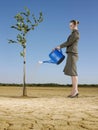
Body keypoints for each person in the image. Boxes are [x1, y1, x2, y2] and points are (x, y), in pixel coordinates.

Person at [55, 20, 80, 98]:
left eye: (71, 25)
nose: (70, 27)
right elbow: (68, 42)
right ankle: (74, 91)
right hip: (70, 54)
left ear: (75, 25)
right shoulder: (73, 33)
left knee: (73, 73)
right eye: (69, 25)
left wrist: (59, 46)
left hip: (73, 54)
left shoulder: (76, 34)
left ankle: (75, 91)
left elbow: (68, 43)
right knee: (72, 73)